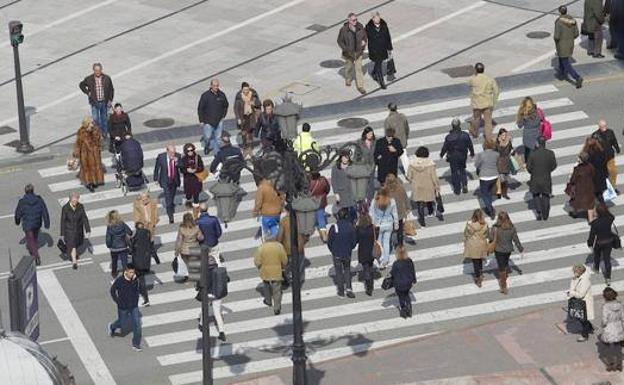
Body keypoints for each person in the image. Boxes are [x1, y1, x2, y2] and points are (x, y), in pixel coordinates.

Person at [107, 264, 142, 351]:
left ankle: (136, 344)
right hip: (123, 306)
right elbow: (112, 290)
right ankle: (112, 326)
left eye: (133, 272)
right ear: (125, 272)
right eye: (130, 272)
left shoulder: (135, 279)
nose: (132, 274)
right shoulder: (120, 281)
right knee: (122, 324)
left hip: (133, 305)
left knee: (137, 325)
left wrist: (137, 299)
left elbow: (137, 289)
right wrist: (117, 301)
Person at [14, 184, 50, 266]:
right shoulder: (39, 199)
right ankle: (33, 249)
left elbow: (18, 213)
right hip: (37, 223)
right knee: (34, 239)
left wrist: (17, 221)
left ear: (25, 191)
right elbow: (44, 211)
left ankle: (36, 257)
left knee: (30, 240)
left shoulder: (22, 202)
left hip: (27, 224)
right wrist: (46, 223)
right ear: (33, 190)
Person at [253, 232, 288, 315]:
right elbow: (284, 260)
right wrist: (283, 266)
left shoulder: (261, 248)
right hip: (276, 271)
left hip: (265, 271)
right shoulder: (279, 247)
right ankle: (277, 308)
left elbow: (257, 261)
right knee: (277, 290)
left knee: (266, 285)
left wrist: (259, 267)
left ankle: (268, 300)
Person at [196, 248, 226, 341]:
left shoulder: (204, 271)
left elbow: (200, 283)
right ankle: (222, 332)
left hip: (208, 293)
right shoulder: (219, 268)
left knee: (205, 309)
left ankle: (201, 325)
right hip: (218, 293)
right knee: (217, 312)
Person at [490, 211, 524, 295]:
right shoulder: (512, 228)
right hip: (508, 250)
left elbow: (490, 238)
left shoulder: (495, 228)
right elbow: (516, 239)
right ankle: (504, 274)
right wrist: (520, 248)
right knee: (505, 263)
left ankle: (503, 287)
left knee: (501, 268)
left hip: (499, 250)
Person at [327, 208, 358, 298]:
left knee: (339, 272)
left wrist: (332, 250)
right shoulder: (350, 227)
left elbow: (330, 242)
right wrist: (350, 248)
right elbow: (354, 241)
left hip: (336, 253)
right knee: (347, 270)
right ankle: (349, 288)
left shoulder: (334, 227)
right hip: (347, 253)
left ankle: (341, 291)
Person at [407, 146, 441, 227]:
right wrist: (437, 186)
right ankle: (430, 210)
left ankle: (422, 220)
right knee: (428, 198)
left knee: (420, 203)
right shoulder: (430, 164)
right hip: (428, 185)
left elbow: (409, 176)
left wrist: (412, 181)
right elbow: (434, 177)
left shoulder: (412, 164)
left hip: (417, 185)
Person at [78, 63, 114, 138]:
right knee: (95, 119)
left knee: (104, 119)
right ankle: (97, 134)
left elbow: (111, 89)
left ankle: (104, 134)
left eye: (99, 70)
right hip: (94, 102)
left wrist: (110, 100)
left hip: (104, 102)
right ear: (93, 70)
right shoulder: (89, 79)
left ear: (101, 70)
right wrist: (88, 92)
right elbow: (81, 85)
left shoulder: (107, 78)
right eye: (96, 70)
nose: (98, 72)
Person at [440, 118, 475, 195]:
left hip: (453, 156)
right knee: (462, 169)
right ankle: (465, 185)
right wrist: (472, 153)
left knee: (454, 172)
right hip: (463, 155)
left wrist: (441, 154)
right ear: (459, 125)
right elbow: (470, 145)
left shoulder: (449, 137)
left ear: (452, 126)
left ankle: (457, 189)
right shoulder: (465, 135)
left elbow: (445, 147)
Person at [277, 209, 309, 289]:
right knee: (300, 265)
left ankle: (290, 279)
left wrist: (278, 244)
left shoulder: (284, 221)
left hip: (287, 248)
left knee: (288, 266)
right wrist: (303, 241)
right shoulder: (301, 219)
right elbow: (307, 234)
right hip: (300, 248)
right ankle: (299, 281)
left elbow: (280, 237)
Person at [527, 137, 557, 221]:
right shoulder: (550, 153)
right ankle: (545, 214)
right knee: (546, 195)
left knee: (536, 195)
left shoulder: (532, 154)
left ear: (537, 143)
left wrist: (533, 172)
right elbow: (554, 165)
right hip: (546, 178)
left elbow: (528, 167)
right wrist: (548, 170)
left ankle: (539, 211)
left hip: (535, 178)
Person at [468, 63, 499, 141]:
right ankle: (488, 138)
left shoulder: (473, 79)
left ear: (475, 70)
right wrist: (494, 102)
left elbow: (468, 84)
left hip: (477, 103)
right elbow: (496, 91)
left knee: (476, 119)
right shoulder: (490, 79)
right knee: (488, 122)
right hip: (487, 103)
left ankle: (475, 133)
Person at [337, 12, 367, 94]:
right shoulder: (343, 30)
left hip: (358, 53)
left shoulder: (360, 27)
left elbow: (365, 37)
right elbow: (340, 41)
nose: (355, 21)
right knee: (348, 67)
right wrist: (345, 49)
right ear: (349, 20)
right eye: (353, 20)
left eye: (356, 19)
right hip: (349, 54)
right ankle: (348, 79)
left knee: (359, 69)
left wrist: (363, 44)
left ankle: (360, 86)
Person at [369, 187, 399, 268]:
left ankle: (381, 260)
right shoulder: (391, 201)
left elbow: (371, 213)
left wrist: (372, 223)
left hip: (378, 225)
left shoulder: (375, 201)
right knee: (386, 242)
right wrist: (396, 224)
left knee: (379, 243)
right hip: (389, 224)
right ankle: (386, 260)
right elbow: (395, 213)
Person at [554, 6, 583, 88]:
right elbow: (576, 34)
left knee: (566, 63)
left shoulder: (559, 22)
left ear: (560, 12)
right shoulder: (573, 21)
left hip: (562, 45)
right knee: (562, 58)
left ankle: (577, 77)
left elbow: (556, 36)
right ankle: (561, 73)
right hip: (570, 44)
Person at [198, 79, 229, 155]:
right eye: (214, 86)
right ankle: (207, 146)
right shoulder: (205, 96)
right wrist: (201, 120)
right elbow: (200, 108)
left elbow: (226, 105)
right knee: (207, 137)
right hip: (208, 121)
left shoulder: (222, 95)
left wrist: (223, 116)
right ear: (211, 86)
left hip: (219, 121)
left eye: (217, 86)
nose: (216, 87)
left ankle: (217, 152)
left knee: (218, 138)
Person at [73, 116, 104, 193]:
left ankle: (95, 181)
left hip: (95, 153)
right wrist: (76, 154)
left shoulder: (95, 130)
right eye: (91, 123)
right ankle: (89, 183)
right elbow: (77, 144)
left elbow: (100, 140)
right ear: (87, 124)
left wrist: (99, 146)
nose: (92, 124)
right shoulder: (81, 132)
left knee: (95, 167)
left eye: (92, 123)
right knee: (87, 169)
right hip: (85, 154)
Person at [60, 192, 90, 270]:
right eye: (73, 201)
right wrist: (62, 233)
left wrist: (88, 229)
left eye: (76, 201)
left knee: (76, 244)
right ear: (70, 200)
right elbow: (63, 221)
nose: (75, 203)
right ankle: (74, 261)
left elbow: (84, 218)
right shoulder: (65, 208)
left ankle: (74, 254)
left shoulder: (81, 206)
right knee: (73, 245)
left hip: (78, 229)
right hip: (69, 230)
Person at [588, 203, 616, 285]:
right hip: (609, 241)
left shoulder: (595, 223)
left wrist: (590, 243)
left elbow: (592, 235)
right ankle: (608, 278)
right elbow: (611, 215)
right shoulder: (610, 219)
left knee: (597, 255)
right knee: (607, 259)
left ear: (598, 212)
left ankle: (596, 268)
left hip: (599, 242)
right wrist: (606, 211)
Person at [153, 144, 181, 224]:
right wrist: (155, 178)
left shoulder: (178, 156)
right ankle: (170, 215)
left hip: (174, 180)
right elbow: (157, 168)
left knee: (172, 195)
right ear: (167, 151)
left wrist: (177, 162)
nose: (173, 154)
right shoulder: (161, 157)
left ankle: (171, 203)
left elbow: (182, 166)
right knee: (168, 197)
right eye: (172, 152)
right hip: (165, 180)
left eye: (174, 152)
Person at [130, 222, 156, 307]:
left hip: (138, 262)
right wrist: (157, 259)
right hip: (146, 261)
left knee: (140, 280)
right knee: (140, 279)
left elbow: (131, 247)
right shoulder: (147, 233)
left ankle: (145, 299)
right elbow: (151, 247)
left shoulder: (136, 235)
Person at [365, 12, 393, 89]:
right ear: (373, 19)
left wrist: (390, 48)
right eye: (376, 18)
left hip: (383, 48)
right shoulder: (368, 27)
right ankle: (381, 82)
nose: (378, 19)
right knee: (378, 64)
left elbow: (388, 36)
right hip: (374, 49)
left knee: (379, 63)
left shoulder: (384, 25)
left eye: (378, 17)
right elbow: (364, 37)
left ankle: (374, 73)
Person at [233, 82, 261, 157]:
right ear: (242, 89)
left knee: (251, 133)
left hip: (251, 116)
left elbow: (259, 103)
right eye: (245, 90)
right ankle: (245, 148)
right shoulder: (239, 96)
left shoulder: (253, 94)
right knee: (244, 134)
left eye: (247, 89)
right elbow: (236, 108)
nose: (246, 91)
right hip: (243, 118)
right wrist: (238, 118)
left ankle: (250, 148)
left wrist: (254, 103)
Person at [463, 209, 490, 288]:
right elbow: (487, 234)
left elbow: (466, 234)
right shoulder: (485, 224)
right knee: (480, 259)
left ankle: (478, 279)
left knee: (475, 263)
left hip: (473, 245)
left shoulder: (469, 225)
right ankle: (481, 274)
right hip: (481, 245)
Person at [566, 152, 597, 220]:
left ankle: (575, 213)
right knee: (590, 203)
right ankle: (591, 219)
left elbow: (573, 179)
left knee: (576, 201)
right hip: (589, 187)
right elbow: (593, 174)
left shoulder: (578, 169)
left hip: (580, 188)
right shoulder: (590, 166)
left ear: (581, 159)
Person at [567, 264, 594, 342]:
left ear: (579, 272)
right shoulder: (576, 278)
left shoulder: (585, 281)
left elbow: (581, 294)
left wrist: (572, 293)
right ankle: (590, 328)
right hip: (579, 302)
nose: (573, 273)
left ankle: (585, 335)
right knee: (581, 318)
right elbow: (573, 287)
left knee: (583, 319)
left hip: (583, 303)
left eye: (574, 272)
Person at [591, 119, 620, 191]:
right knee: (603, 175)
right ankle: (602, 189)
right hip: (600, 159)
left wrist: (617, 148)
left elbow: (614, 141)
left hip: (610, 157)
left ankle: (613, 188)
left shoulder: (610, 132)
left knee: (613, 172)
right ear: (599, 126)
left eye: (604, 126)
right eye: (601, 127)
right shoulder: (595, 135)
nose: (603, 128)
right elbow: (591, 147)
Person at [600, 287, 624, 371]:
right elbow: (623, 318)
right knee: (619, 349)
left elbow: (604, 320)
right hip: (618, 328)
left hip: (609, 329)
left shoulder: (605, 307)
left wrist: (602, 325)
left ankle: (611, 366)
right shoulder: (620, 304)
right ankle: (620, 365)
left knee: (610, 349)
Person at [474, 139, 500, 219]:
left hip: (484, 177)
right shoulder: (496, 154)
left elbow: (476, 165)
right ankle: (489, 203)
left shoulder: (481, 155)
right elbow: (498, 163)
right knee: (489, 191)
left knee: (484, 194)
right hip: (494, 176)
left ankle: (490, 209)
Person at [105, 210, 132, 281]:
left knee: (114, 261)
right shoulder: (122, 224)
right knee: (124, 262)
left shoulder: (110, 226)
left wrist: (109, 245)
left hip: (114, 248)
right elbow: (130, 232)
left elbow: (108, 238)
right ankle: (125, 275)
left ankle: (114, 273)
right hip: (123, 246)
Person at [390, 246, 416, 318]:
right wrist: (414, 280)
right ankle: (409, 308)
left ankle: (404, 309)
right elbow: (412, 271)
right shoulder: (409, 261)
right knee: (406, 294)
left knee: (401, 296)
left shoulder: (396, 263)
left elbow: (393, 273)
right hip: (408, 282)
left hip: (399, 284)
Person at [331, 151, 357, 222]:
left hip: (352, 192)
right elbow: (334, 181)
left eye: (347, 157)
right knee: (344, 212)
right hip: (342, 193)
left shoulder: (352, 165)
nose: (345, 159)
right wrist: (336, 193)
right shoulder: (335, 168)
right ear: (341, 158)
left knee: (353, 212)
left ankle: (353, 225)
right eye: (344, 157)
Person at [384, 103, 410, 173]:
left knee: (392, 159)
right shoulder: (403, 117)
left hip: (393, 143)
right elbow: (407, 128)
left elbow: (387, 133)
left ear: (389, 109)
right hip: (403, 141)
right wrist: (406, 137)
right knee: (405, 159)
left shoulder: (388, 120)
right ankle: (408, 174)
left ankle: (392, 175)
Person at [385, 173, 410, 245]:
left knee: (391, 228)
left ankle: (391, 242)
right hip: (400, 212)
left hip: (390, 213)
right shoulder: (400, 188)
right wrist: (408, 207)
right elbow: (405, 198)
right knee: (400, 229)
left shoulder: (385, 191)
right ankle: (400, 244)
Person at [516, 97, 542, 163]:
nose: (529, 108)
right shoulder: (523, 114)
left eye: (530, 106)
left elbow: (538, 122)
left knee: (537, 152)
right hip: (527, 137)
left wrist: (528, 117)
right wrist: (524, 117)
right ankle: (528, 164)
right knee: (528, 152)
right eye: (527, 106)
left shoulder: (536, 111)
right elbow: (519, 126)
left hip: (536, 135)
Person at [356, 213, 375, 296]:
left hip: (363, 251)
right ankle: (371, 282)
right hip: (371, 250)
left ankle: (369, 287)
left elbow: (356, 240)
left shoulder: (359, 230)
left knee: (366, 268)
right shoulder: (372, 228)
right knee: (370, 266)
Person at [584, 137, 608, 201]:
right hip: (600, 176)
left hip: (591, 178)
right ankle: (602, 207)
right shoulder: (601, 152)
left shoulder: (586, 155)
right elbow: (605, 164)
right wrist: (606, 174)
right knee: (600, 194)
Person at [309, 171, 331, 242]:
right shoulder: (323, 180)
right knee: (321, 218)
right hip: (321, 202)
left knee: (316, 217)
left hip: (312, 202)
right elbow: (327, 189)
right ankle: (324, 234)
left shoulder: (308, 182)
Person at [357, 126, 377, 202]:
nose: (370, 135)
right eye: (369, 134)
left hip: (372, 165)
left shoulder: (375, 142)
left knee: (371, 182)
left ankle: (370, 198)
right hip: (363, 166)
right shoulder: (359, 142)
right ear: (365, 134)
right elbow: (356, 155)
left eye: (371, 134)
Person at [495, 128, 513, 199]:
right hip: (499, 162)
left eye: (505, 135)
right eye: (503, 135)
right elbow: (496, 151)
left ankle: (504, 193)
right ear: (499, 135)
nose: (504, 137)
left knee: (505, 179)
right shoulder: (497, 143)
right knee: (501, 179)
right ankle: (499, 192)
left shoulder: (509, 142)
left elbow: (511, 150)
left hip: (506, 162)